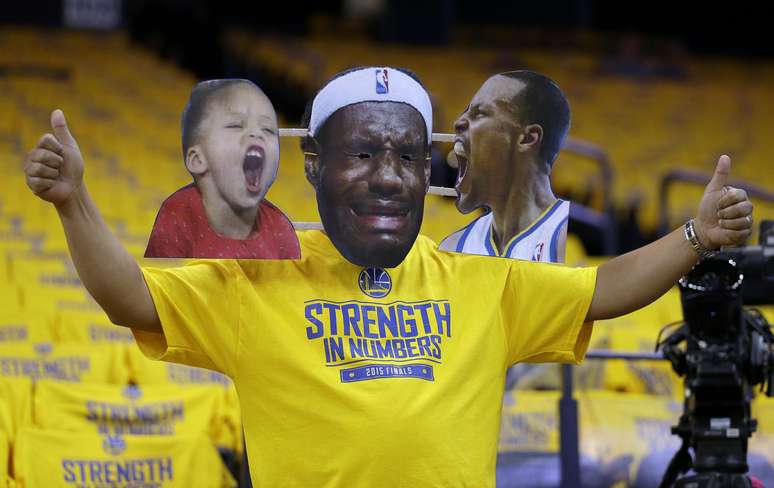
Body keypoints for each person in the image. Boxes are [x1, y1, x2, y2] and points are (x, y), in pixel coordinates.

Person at [23, 66, 753, 487]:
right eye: (364, 154)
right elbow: (128, 297)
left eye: (407, 157)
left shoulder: (479, 283)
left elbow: (604, 289)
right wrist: (74, 202)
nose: (389, 178)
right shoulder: (253, 286)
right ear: (313, 167)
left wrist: (696, 235)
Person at [144, 79, 300, 259]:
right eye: (235, 125)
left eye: (268, 129)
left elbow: (289, 287)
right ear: (198, 159)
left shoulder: (280, 228)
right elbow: (163, 284)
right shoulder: (178, 214)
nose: (256, 133)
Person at [440, 71, 569, 262]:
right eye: (465, 112)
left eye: (479, 113)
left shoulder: (564, 241)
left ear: (527, 138)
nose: (458, 122)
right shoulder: (453, 247)